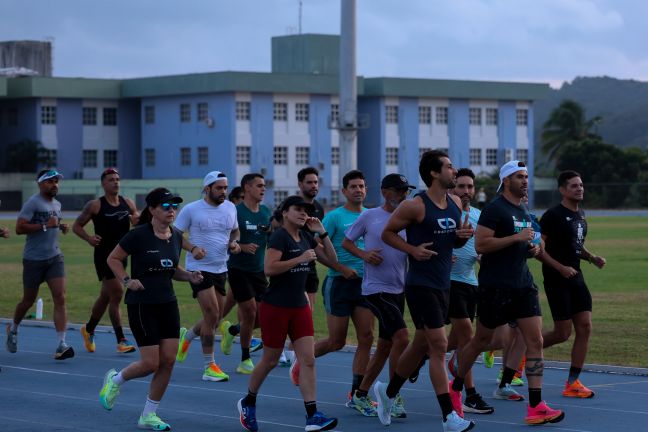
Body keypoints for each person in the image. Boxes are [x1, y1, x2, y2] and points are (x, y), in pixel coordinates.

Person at [450, 160, 565, 426]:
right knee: (480, 341)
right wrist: (516, 238)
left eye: (526, 176)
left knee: (534, 341)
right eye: (518, 176)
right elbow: (482, 244)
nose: (525, 181)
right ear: (506, 181)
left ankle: (536, 405)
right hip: (495, 286)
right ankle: (455, 387)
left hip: (523, 285)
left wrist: (533, 249)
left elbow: (527, 242)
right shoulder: (494, 209)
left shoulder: (523, 209)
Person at [373, 151, 474, 432]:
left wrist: (459, 238)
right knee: (439, 345)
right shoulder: (415, 206)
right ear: (434, 173)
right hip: (420, 285)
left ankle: (388, 392)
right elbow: (388, 234)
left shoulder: (454, 202)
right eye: (450, 167)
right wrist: (412, 250)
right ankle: (448, 417)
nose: (454, 171)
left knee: (419, 345)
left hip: (444, 283)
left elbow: (447, 242)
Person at [99, 188, 204, 431]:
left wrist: (189, 276)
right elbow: (113, 259)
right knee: (150, 363)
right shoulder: (138, 235)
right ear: (152, 209)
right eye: (166, 206)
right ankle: (115, 380)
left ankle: (148, 415)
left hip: (168, 303)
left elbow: (171, 268)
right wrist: (127, 281)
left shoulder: (176, 237)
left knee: (168, 361)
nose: (172, 210)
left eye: (174, 206)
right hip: (142, 304)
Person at [237, 196, 338, 432]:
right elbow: (269, 269)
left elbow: (332, 260)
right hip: (276, 307)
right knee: (270, 360)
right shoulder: (279, 237)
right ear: (285, 213)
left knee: (308, 360)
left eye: (306, 211)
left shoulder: (305, 236)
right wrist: (299, 259)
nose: (303, 214)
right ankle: (248, 401)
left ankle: (313, 416)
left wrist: (322, 233)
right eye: (298, 210)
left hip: (299, 307)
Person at [292, 170, 374, 405]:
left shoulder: (371, 215)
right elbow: (316, 248)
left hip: (366, 284)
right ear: (344, 191)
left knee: (366, 337)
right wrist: (340, 267)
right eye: (354, 187)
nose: (358, 190)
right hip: (339, 283)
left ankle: (357, 394)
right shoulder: (335, 217)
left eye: (362, 186)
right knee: (337, 341)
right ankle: (302, 361)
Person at [342, 173, 413, 418]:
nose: (404, 195)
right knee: (402, 338)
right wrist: (364, 255)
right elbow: (347, 242)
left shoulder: (408, 219)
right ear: (385, 192)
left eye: (406, 191)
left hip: (398, 288)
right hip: (375, 289)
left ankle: (360, 395)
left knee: (384, 346)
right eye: (399, 190)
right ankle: (392, 393)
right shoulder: (369, 216)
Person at [538, 170, 605, 398]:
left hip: (576, 277)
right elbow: (539, 250)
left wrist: (591, 257)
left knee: (585, 327)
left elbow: (576, 245)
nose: (580, 189)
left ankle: (573, 382)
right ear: (563, 190)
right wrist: (560, 268)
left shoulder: (581, 214)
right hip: (557, 279)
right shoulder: (552, 216)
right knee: (562, 333)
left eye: (581, 185)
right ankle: (525, 354)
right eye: (574, 186)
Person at [174, 171, 241, 382]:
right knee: (212, 315)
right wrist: (192, 248)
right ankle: (209, 366)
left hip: (221, 268)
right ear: (207, 188)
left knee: (216, 317)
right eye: (219, 188)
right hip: (199, 269)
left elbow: (235, 231)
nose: (223, 192)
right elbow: (175, 234)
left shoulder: (231, 208)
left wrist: (234, 243)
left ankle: (188, 335)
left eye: (225, 188)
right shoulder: (192, 209)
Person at [7, 169, 74, 360]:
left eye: (56, 182)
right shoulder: (32, 202)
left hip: (54, 257)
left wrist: (60, 226)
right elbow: (19, 228)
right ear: (40, 184)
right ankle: (14, 328)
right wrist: (46, 225)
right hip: (33, 260)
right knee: (28, 300)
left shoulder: (57, 203)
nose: (55, 185)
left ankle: (62, 344)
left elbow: (52, 222)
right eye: (50, 182)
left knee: (60, 297)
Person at [73, 167, 139, 354]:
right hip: (104, 257)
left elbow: (138, 222)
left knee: (106, 296)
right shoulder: (95, 205)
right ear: (103, 184)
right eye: (111, 179)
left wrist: (137, 221)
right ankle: (121, 340)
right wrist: (89, 238)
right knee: (117, 293)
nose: (115, 182)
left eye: (117, 179)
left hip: (122, 256)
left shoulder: (128, 203)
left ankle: (89, 329)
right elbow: (77, 226)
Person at [446, 168, 494, 415]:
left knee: (448, 341)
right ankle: (471, 394)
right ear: (452, 188)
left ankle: (417, 358)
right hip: (447, 282)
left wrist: (483, 258)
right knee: (467, 335)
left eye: (470, 187)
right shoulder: (444, 214)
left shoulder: (478, 215)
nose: (466, 191)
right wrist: (443, 256)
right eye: (461, 186)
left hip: (471, 282)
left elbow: (481, 247)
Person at [220, 173, 272, 375]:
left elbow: (272, 238)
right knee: (249, 311)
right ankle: (244, 359)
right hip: (237, 269)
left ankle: (232, 330)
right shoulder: (234, 212)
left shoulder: (266, 212)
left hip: (258, 271)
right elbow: (222, 238)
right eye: (259, 185)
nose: (263, 189)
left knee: (265, 315)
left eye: (264, 186)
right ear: (247, 188)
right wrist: (240, 246)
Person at [279, 166, 326, 367]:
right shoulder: (288, 206)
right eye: (309, 182)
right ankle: (279, 348)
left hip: (310, 264)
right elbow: (277, 233)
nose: (313, 186)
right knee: (286, 310)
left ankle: (293, 351)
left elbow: (314, 238)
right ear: (300, 184)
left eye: (316, 182)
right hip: (289, 266)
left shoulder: (319, 210)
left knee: (307, 310)